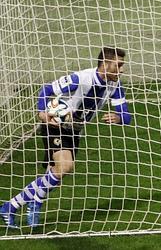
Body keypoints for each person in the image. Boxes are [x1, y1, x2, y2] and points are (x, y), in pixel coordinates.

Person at [1, 47, 132, 228]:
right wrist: (41, 113)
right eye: (118, 65)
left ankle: (15, 206)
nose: (122, 70)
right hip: (55, 125)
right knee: (65, 167)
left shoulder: (115, 86)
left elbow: (126, 116)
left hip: (75, 130)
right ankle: (23, 204)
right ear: (105, 64)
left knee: (54, 175)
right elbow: (47, 89)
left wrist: (118, 118)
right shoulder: (81, 78)